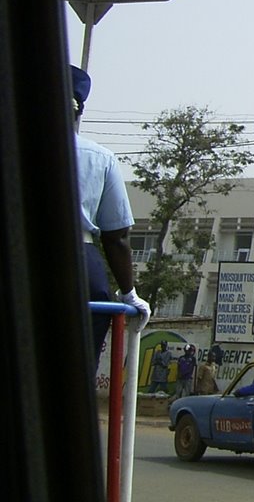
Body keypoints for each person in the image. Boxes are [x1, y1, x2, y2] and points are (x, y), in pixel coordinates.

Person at [70, 65, 151, 372]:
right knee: (78, 367)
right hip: (82, 263)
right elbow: (116, 236)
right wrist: (129, 293)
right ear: (79, 111)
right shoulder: (99, 157)